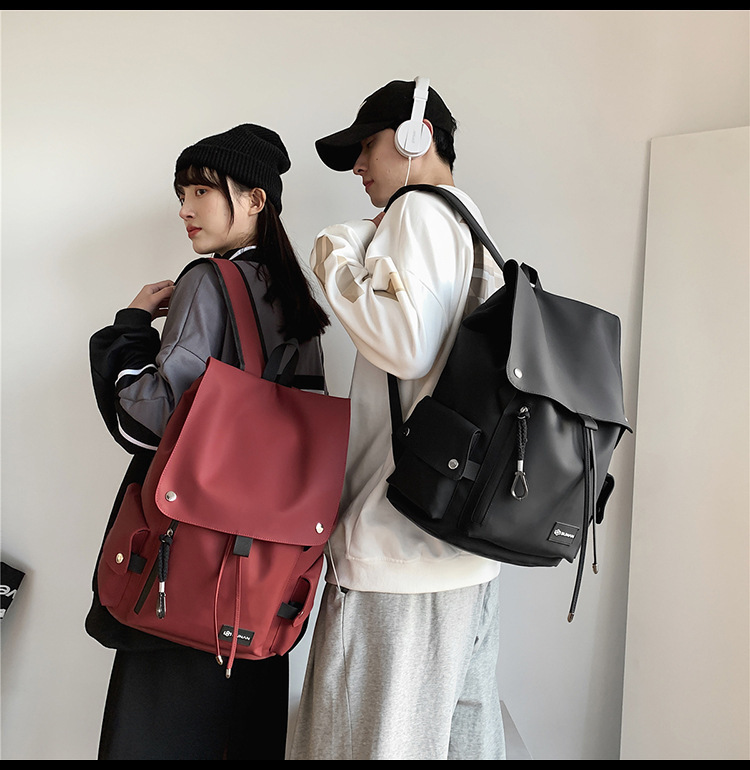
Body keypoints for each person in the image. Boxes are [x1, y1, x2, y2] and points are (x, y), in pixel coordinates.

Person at [86, 124, 329, 760]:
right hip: (261, 576)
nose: (185, 209)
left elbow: (146, 421)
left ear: (255, 200)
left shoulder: (209, 279)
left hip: (189, 563)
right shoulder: (294, 295)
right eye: (182, 193)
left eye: (201, 190)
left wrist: (129, 329)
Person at [289, 78, 507, 761]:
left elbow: (404, 344)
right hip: (466, 554)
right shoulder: (474, 230)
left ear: (417, 136)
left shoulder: (415, 211)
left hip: (397, 552)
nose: (357, 166)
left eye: (367, 146)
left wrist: (335, 248)